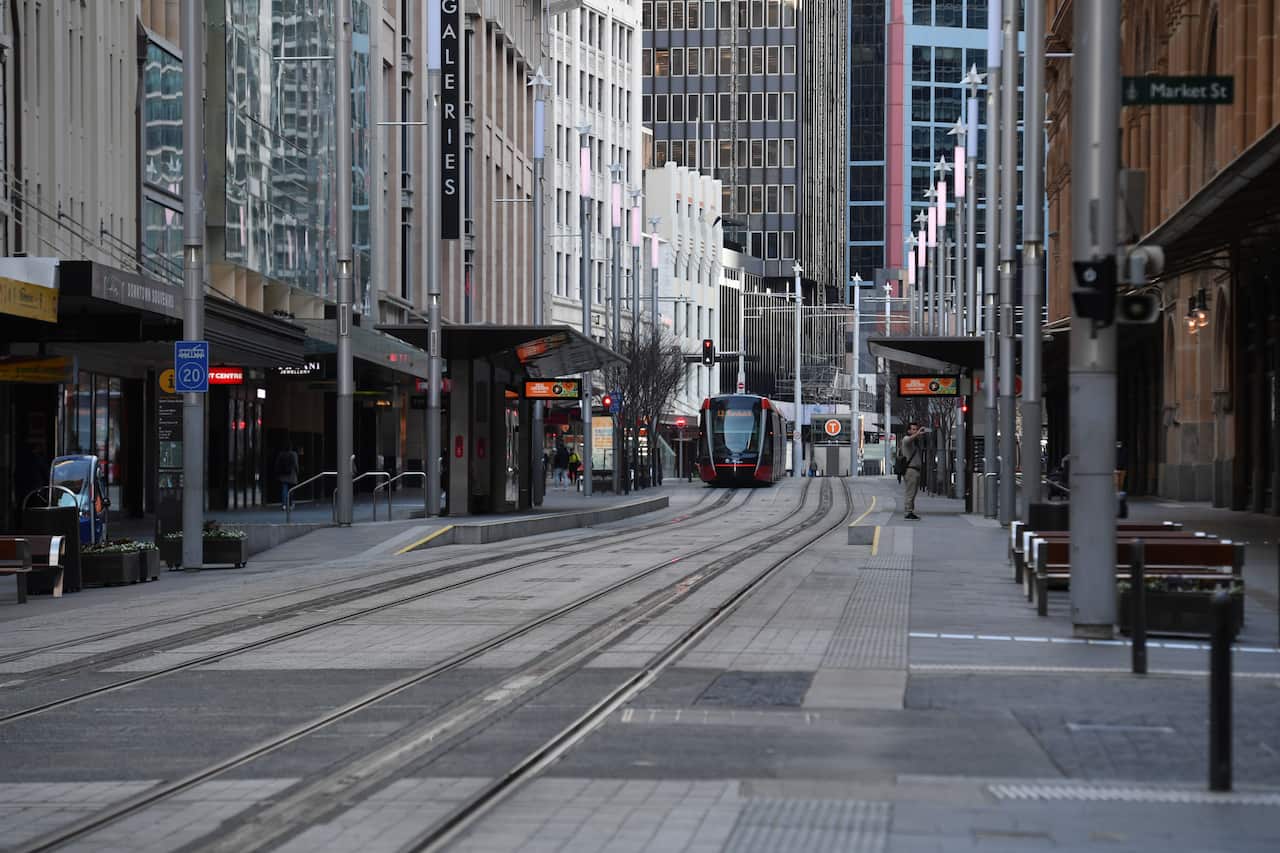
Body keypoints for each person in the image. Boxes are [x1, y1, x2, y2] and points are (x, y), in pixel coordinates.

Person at [899, 421, 929, 520]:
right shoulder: (906, 439)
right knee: (910, 492)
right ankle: (908, 511)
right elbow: (909, 439)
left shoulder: (915, 442)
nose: (915, 431)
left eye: (916, 429)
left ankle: (910, 511)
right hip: (910, 470)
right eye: (913, 429)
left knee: (913, 492)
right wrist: (918, 433)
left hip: (915, 471)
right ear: (908, 431)